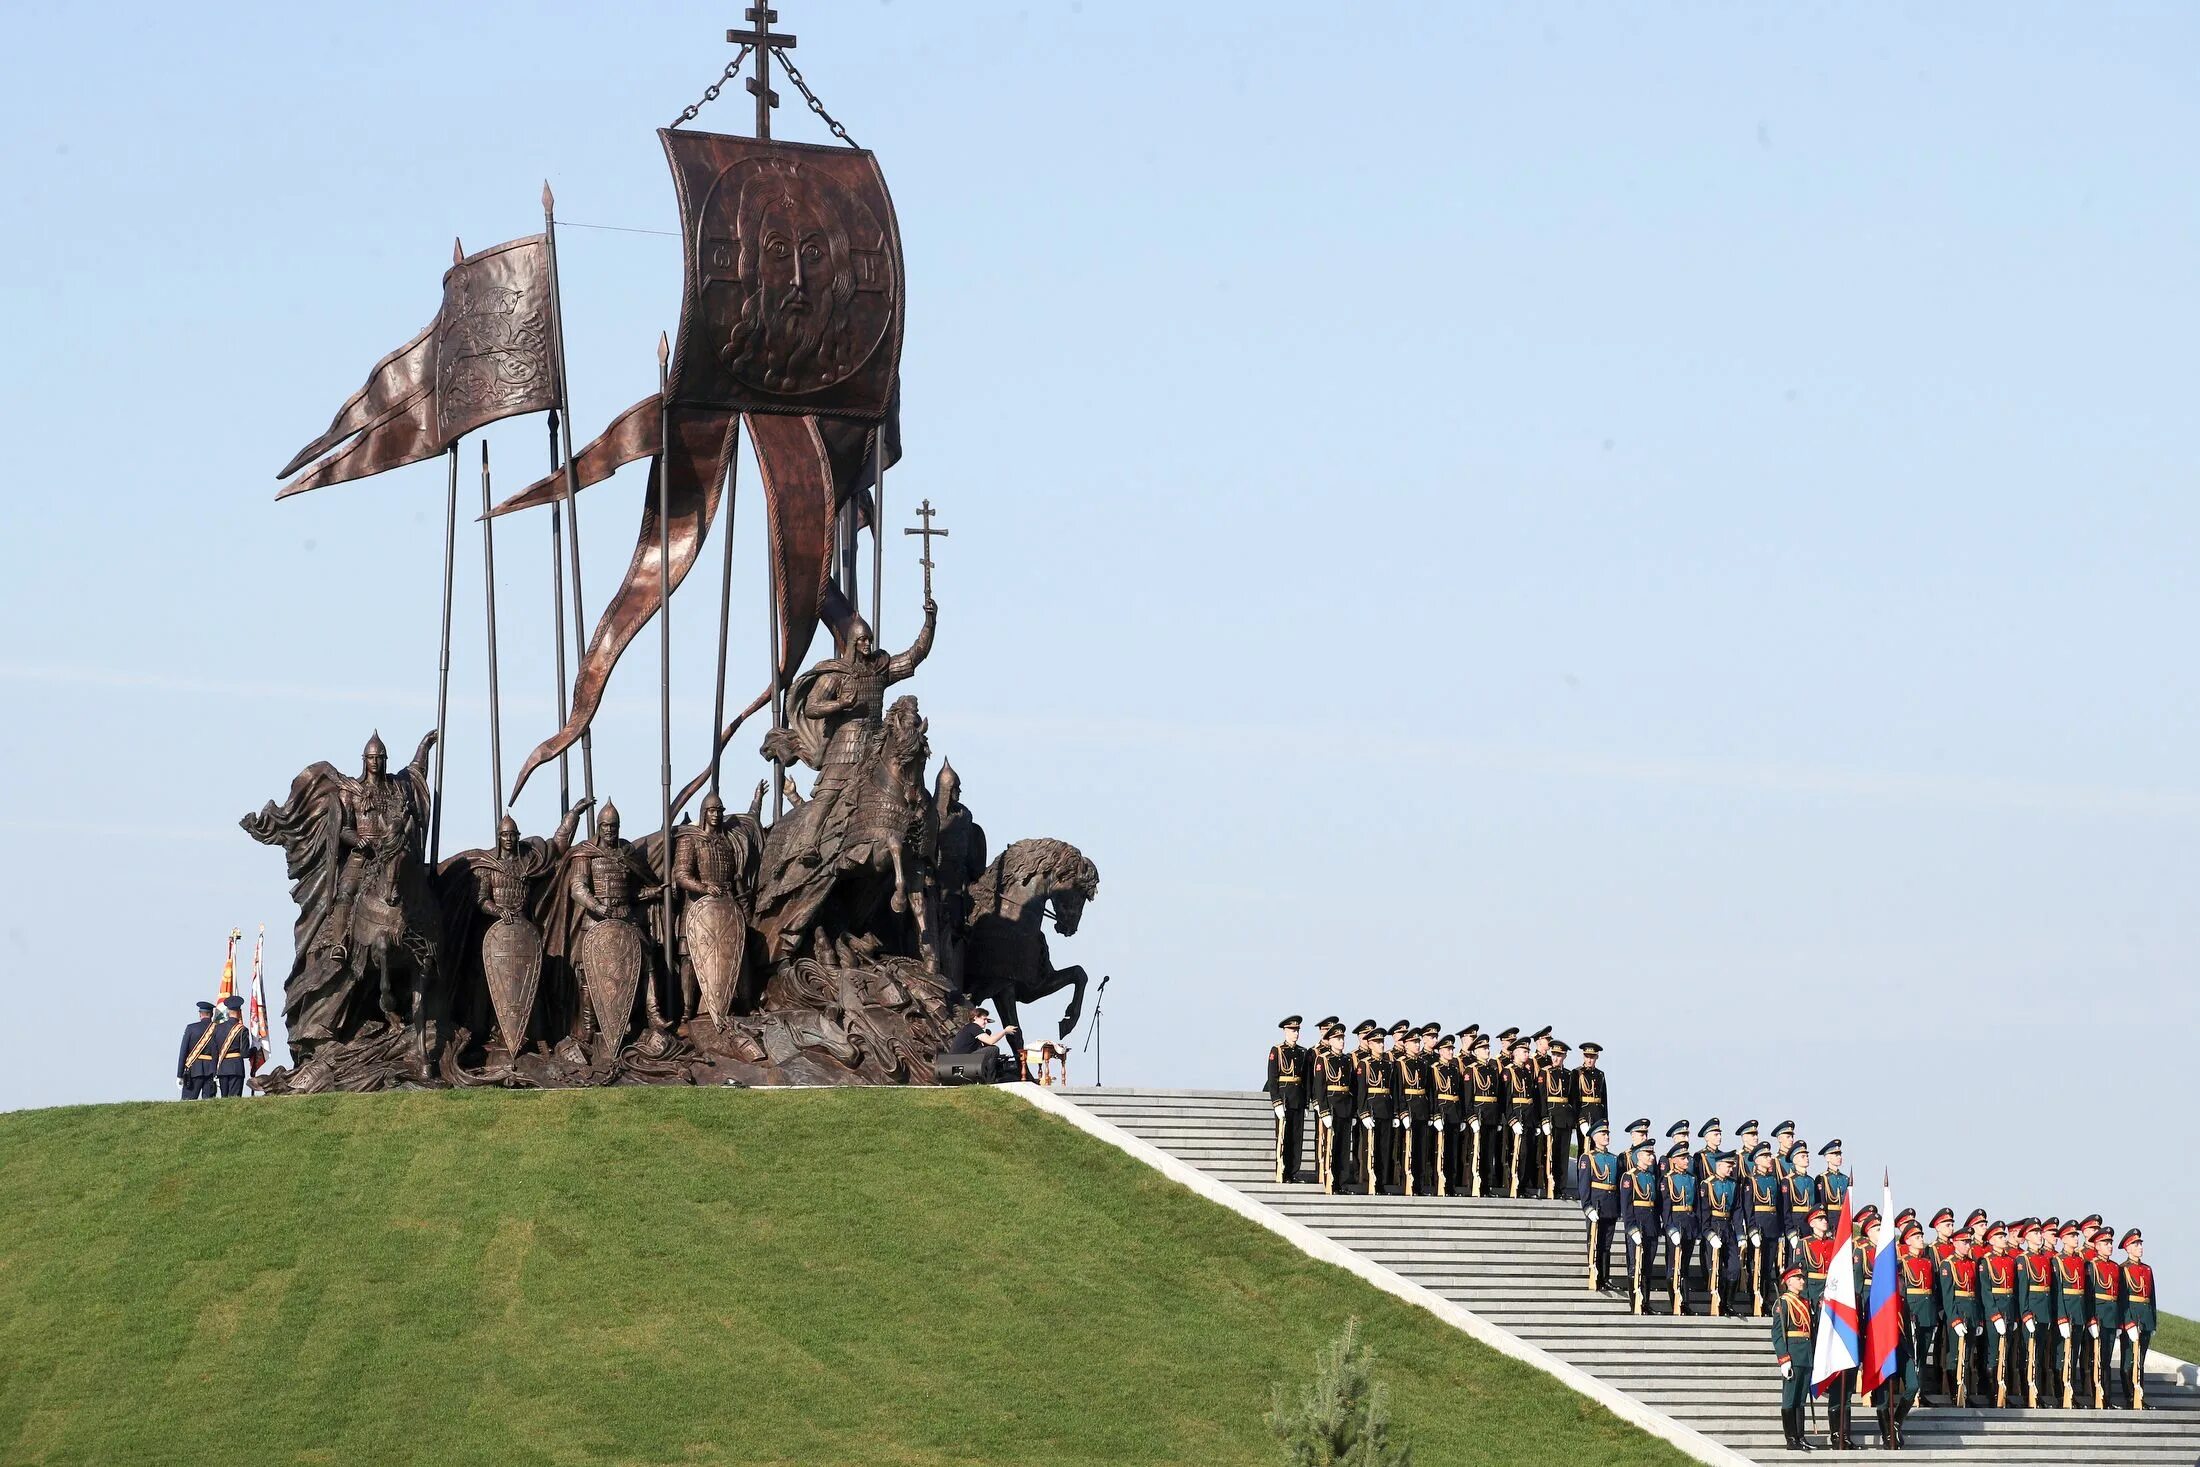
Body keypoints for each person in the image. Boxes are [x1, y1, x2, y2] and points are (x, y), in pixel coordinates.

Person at [1772, 1266, 1818, 1452]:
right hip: (1793, 1354)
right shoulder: (1783, 1303)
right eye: (1798, 1278)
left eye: (1802, 1278)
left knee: (1801, 1399)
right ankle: (1791, 1438)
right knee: (1790, 1398)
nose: (1802, 1281)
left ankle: (1800, 1436)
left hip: (1806, 1355)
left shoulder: (1806, 1302)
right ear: (1788, 1281)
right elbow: (1777, 1334)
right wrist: (1784, 1359)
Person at [1899, 1222, 1941, 1410]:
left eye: (1921, 1236)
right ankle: (1911, 1391)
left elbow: (1933, 1289)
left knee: (1922, 1355)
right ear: (1907, 1240)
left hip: (1928, 1313)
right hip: (1912, 1312)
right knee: (1913, 1354)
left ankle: (1920, 1392)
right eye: (1917, 1237)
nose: (1921, 1239)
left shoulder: (1928, 1262)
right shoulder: (1903, 1263)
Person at [1264, 1016, 1311, 1184]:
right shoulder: (1276, 1051)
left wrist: (1306, 1103)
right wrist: (1276, 1102)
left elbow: (1305, 1079)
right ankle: (1282, 1170)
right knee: (1284, 1137)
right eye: (1292, 1030)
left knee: (1297, 1138)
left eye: (1297, 1030)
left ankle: (1293, 1171)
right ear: (1285, 1031)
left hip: (1297, 1099)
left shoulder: (1302, 1052)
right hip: (1284, 1099)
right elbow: (1272, 1078)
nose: (1295, 1033)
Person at [1577, 1118, 1622, 1293]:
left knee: (1607, 1244)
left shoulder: (1614, 1159)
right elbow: (1584, 1186)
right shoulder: (1587, 1158)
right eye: (1603, 1134)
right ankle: (1594, 1273)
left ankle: (1605, 1276)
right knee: (1595, 1241)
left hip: (1610, 1206)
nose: (1607, 1137)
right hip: (1596, 1205)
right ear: (1595, 1137)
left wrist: (1618, 1208)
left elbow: (1616, 1185)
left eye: (1607, 1134)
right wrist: (1587, 1207)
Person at [1941, 1229, 1984, 1405]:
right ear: (1955, 1243)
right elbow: (1947, 1295)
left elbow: (1977, 1293)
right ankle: (1954, 1392)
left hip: (1972, 1313)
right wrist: (1954, 1319)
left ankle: (1963, 1392)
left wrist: (1979, 1318)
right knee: (1954, 1355)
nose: (1968, 1245)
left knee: (1967, 1354)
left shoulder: (1972, 1264)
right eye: (1964, 1242)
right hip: (1957, 1313)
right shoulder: (1948, 1264)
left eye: (1969, 1242)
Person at [1980, 1222, 2020, 1406]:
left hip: (2009, 1312)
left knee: (2006, 1353)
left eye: (2004, 1236)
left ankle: (2003, 1393)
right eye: (2000, 1237)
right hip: (1994, 1313)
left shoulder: (2011, 1261)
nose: (2004, 1239)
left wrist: (2015, 1317)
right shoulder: (1986, 1261)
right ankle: (1992, 1393)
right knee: (1993, 1354)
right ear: (1991, 1240)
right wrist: (1995, 1316)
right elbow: (1986, 1292)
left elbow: (2015, 1291)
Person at [2017, 1219, 2056, 1408]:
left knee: (2039, 1356)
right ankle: (2028, 1394)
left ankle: (2037, 1394)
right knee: (2028, 1356)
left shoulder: (2046, 1259)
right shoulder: (2023, 1260)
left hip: (2044, 1314)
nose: (2040, 1236)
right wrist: (2026, 1314)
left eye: (2040, 1232)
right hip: (2031, 1314)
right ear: (2026, 1237)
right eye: (2035, 1233)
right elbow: (2023, 1290)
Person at [1660, 1139, 1701, 1315]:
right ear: (1674, 1160)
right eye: (1683, 1158)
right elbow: (1664, 1208)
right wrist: (1670, 1228)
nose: (1686, 1161)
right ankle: (1675, 1302)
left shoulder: (1692, 1179)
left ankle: (1685, 1303)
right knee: (1673, 1267)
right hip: (1675, 1223)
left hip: (1690, 1223)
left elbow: (1697, 1205)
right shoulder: (1667, 1179)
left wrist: (1698, 1231)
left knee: (1684, 1267)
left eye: (1687, 1158)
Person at [1700, 1148, 1742, 1316]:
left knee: (1734, 1267)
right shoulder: (1707, 1184)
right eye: (1728, 1166)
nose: (1730, 1169)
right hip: (1713, 1226)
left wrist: (1740, 1234)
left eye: (1732, 1166)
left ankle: (1728, 1303)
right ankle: (1718, 1303)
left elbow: (1737, 1211)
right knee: (1715, 1269)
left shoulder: (1733, 1184)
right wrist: (1709, 1235)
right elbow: (1704, 1213)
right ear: (1718, 1165)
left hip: (1727, 1227)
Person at [2053, 1221, 2091, 1408]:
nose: (2076, 1238)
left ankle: (2071, 1392)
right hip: (2066, 1313)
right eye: (2072, 1236)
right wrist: (2061, 1317)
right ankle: (2061, 1393)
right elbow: (2058, 1291)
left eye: (2077, 1235)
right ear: (2063, 1239)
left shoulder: (2080, 1261)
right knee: (2063, 1355)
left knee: (2073, 1355)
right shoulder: (2057, 1261)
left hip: (2078, 1314)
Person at [1315, 1020, 1355, 1194]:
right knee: (1332, 1146)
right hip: (1331, 1106)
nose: (1341, 1041)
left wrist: (1353, 1110)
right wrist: (1323, 1111)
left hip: (1345, 1106)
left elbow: (1352, 1086)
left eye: (1342, 1038)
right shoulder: (1323, 1059)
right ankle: (1331, 1180)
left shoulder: (1347, 1060)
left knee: (1344, 1148)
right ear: (1329, 1040)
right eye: (1338, 1038)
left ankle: (1342, 1182)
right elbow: (1319, 1087)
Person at [1622, 1140, 1661, 1314]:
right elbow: (1626, 1206)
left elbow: (1656, 1204)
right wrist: (1631, 1228)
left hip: (1651, 1225)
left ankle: (1646, 1303)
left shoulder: (1652, 1177)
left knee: (1647, 1267)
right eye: (1648, 1154)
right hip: (1637, 1226)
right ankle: (1635, 1303)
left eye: (1652, 1154)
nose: (1651, 1157)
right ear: (1639, 1156)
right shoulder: (1629, 1177)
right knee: (1635, 1266)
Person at [2086, 1226, 2124, 1409]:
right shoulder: (2091, 1266)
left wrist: (2119, 1322)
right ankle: (2097, 1396)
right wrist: (2091, 1319)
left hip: (2111, 1318)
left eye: (2110, 1242)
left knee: (2106, 1361)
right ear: (2097, 1246)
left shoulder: (2116, 1267)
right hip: (2098, 1317)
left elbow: (2121, 1297)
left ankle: (2106, 1398)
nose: (2110, 1246)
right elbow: (2089, 1296)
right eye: (2105, 1243)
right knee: (2097, 1359)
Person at [2117, 1230, 2155, 1410]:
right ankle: (2129, 1396)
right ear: (2127, 1248)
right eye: (2136, 1245)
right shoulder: (2122, 1269)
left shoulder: (2147, 1269)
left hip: (2145, 1318)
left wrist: (2152, 1321)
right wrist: (2127, 1323)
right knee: (2128, 1362)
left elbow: (2151, 1297)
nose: (2140, 1248)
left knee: (2140, 1361)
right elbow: (2122, 1299)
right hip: (2131, 1319)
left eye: (2140, 1244)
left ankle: (2140, 1396)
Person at [1745, 1144, 1785, 1314]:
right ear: (1757, 1160)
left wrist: (1781, 1230)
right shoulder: (1750, 1181)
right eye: (1765, 1157)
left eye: (1769, 1156)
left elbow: (1780, 1207)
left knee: (1768, 1268)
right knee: (1756, 1267)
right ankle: (1754, 1298)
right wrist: (1752, 1229)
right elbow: (1748, 1208)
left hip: (1772, 1228)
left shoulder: (1773, 1180)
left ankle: (1766, 1298)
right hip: (1759, 1227)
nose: (1770, 1159)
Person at [1501, 1036, 1540, 1197]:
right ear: (1515, 1052)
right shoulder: (1508, 1071)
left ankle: (1523, 1186)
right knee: (1518, 1152)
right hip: (1517, 1117)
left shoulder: (1527, 1072)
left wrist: (1536, 1121)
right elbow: (1506, 1099)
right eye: (1524, 1051)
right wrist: (1512, 1120)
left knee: (1529, 1153)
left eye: (1528, 1052)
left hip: (1529, 1117)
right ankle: (1514, 1185)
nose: (1527, 1055)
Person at [1465, 1033, 1503, 1197]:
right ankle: (1473, 1185)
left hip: (1492, 1116)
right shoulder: (1471, 1070)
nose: (1487, 1051)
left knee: (1489, 1153)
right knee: (1476, 1152)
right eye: (1483, 1048)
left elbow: (1499, 1096)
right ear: (1475, 1051)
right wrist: (1471, 1117)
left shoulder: (1494, 1070)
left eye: (1488, 1047)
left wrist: (1499, 1117)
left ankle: (1486, 1186)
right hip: (1478, 1115)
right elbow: (1467, 1098)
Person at [1540, 1039, 1577, 1198]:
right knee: (1550, 1154)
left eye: (1559, 1055)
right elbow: (1541, 1098)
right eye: (1553, 1054)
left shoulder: (1569, 1075)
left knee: (1563, 1155)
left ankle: (1561, 1189)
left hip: (1565, 1119)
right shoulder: (1545, 1073)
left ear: (1564, 1056)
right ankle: (1549, 1186)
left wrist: (1574, 1120)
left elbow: (1573, 1099)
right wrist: (1544, 1119)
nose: (1555, 1058)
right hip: (1551, 1117)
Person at [1431, 1030, 1463, 1196]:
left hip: (1454, 1115)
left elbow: (1460, 1095)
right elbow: (1432, 1095)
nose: (1451, 1051)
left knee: (1453, 1153)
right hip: (1442, 1114)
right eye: (1448, 1049)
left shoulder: (1455, 1070)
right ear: (1440, 1051)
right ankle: (1439, 1185)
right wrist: (1436, 1115)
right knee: (1440, 1152)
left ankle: (1450, 1185)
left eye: (1452, 1049)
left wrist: (1463, 1116)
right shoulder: (1434, 1069)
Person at [212, 994, 261, 1097]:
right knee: (234, 1099)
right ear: (239, 1012)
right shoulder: (242, 1030)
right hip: (236, 1068)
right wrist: (254, 1049)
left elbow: (214, 1051)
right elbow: (244, 1053)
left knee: (224, 1098)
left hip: (222, 1068)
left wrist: (215, 1070)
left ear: (228, 1012)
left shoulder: (217, 1028)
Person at [176, 1000, 219, 1099]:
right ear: (211, 1014)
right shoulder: (216, 1028)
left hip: (193, 1070)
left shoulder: (191, 1028)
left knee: (188, 1103)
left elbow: (183, 1052)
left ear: (200, 1014)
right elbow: (217, 1052)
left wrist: (179, 1074)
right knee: (208, 1106)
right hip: (211, 1070)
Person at [1573, 1041, 1609, 1144]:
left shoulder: (1600, 1074)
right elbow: (1574, 1099)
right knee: (1583, 1146)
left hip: (1598, 1115)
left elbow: (1604, 1100)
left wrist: (1605, 1120)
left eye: (1592, 1057)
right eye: (1587, 1057)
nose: (1589, 1060)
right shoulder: (1577, 1073)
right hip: (1584, 1114)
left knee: (1597, 1146)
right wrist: (1579, 1119)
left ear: (1597, 1057)